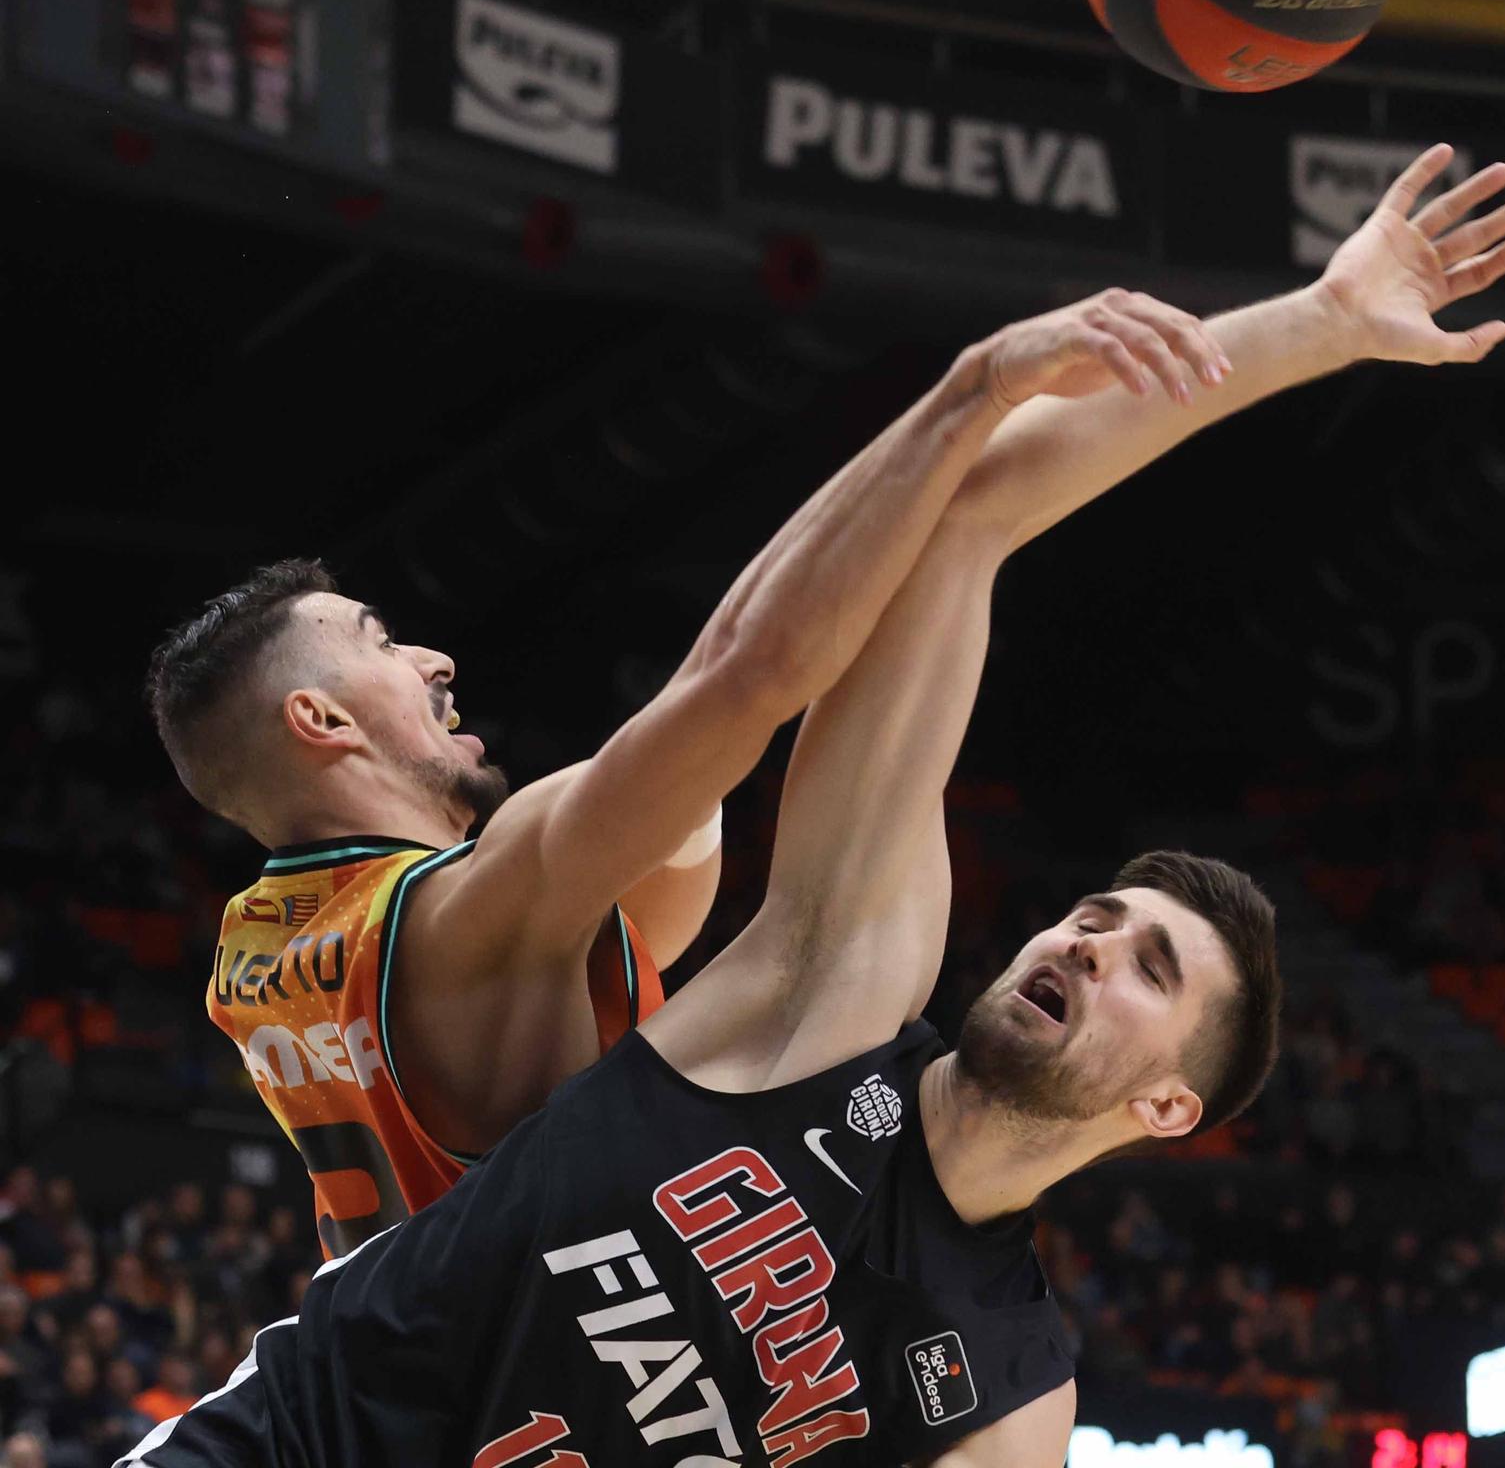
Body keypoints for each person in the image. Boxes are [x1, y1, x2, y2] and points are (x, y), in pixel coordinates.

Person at [119, 147, 1505, 1467]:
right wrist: (1304, 325)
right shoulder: (822, 1007)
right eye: (1095, 916)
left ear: (1171, 1103)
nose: (1086, 943)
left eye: (1145, 965)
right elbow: (936, 545)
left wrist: (1326, 321)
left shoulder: (1014, 1395)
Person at [146, 279, 1236, 1254]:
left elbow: (639, 920)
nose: (433, 657)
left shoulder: (262, 945)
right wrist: (973, 386)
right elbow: (749, 670)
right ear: (321, 718)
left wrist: (677, 798)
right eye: (381, 641)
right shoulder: (457, 922)